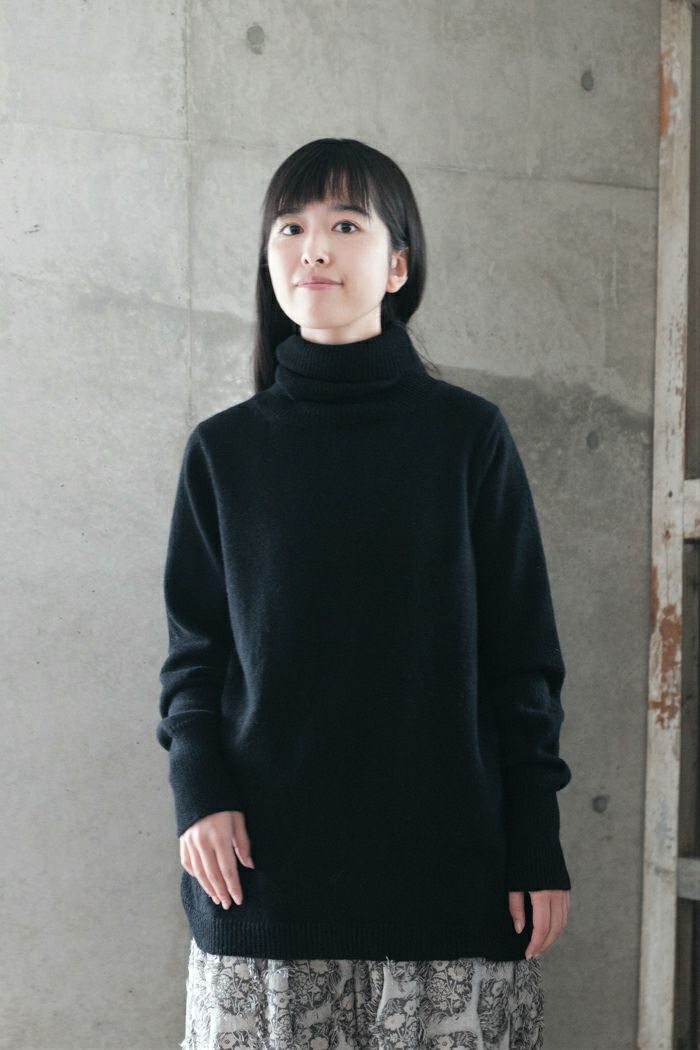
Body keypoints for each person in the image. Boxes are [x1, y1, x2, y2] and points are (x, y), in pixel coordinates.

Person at [156, 137, 573, 1050]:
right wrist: (198, 792)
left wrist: (536, 838)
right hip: (263, 880)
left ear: (396, 266)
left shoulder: (467, 438)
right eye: (291, 227)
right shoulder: (225, 452)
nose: (314, 247)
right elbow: (195, 657)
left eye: (346, 224)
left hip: (448, 878)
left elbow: (522, 660)